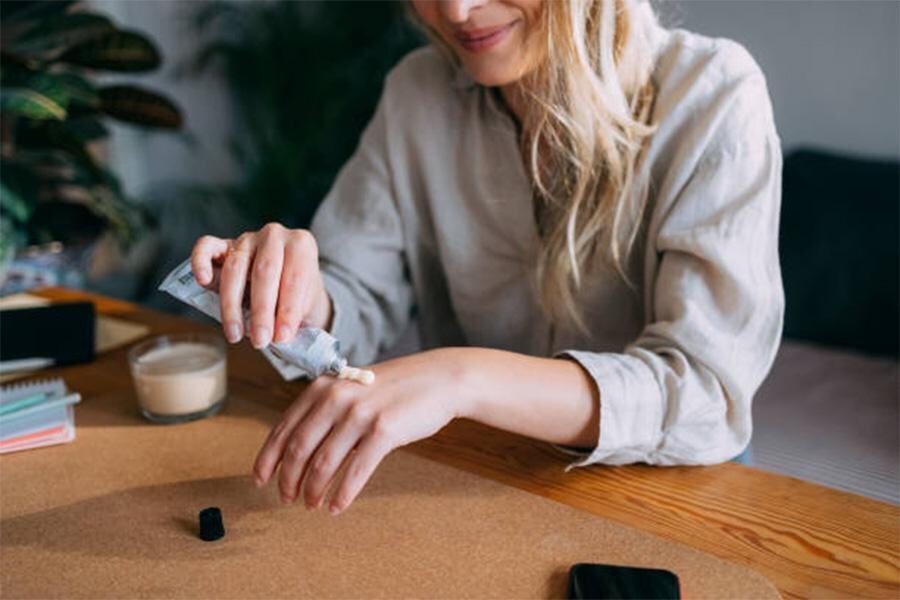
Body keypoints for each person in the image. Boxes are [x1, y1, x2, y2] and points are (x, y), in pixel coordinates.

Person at [190, 0, 783, 515]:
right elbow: (357, 298)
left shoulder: (714, 96)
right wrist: (295, 292)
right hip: (485, 472)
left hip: (671, 490)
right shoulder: (416, 93)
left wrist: (460, 378)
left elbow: (704, 393)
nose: (453, 11)